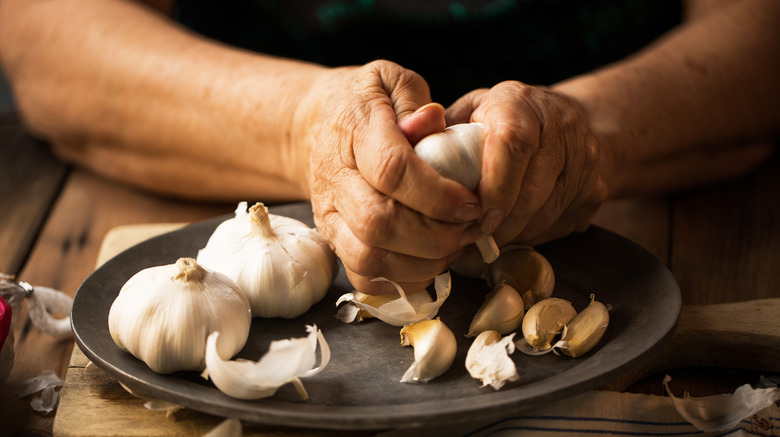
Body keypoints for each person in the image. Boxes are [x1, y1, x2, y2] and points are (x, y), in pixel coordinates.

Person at [0, 0, 777, 295]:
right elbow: (45, 36)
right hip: (207, 161)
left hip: (667, 188)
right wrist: (303, 121)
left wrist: (591, 131)